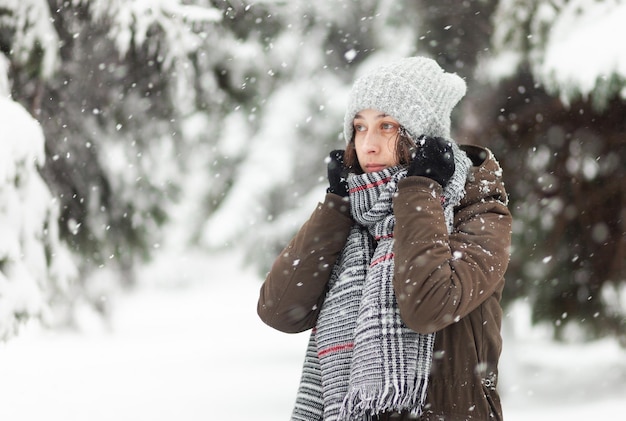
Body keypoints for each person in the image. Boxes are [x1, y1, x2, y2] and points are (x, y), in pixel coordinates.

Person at [257, 56, 512, 421]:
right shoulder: (356, 213)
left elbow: (428, 305)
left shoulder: (476, 208)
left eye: (387, 126)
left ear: (425, 136)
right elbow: (279, 310)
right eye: (360, 128)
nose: (369, 145)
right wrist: (337, 205)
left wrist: (420, 189)